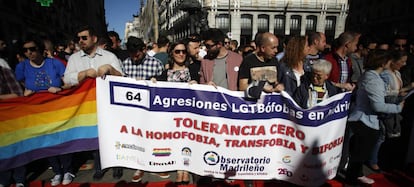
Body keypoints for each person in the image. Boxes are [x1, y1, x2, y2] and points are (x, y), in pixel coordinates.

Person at [63, 25, 124, 181]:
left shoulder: (109, 56)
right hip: (87, 106)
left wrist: (110, 69)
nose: (81, 41)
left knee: (113, 134)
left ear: (94, 38)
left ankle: (117, 165)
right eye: (78, 39)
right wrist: (83, 74)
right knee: (95, 136)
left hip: (109, 104)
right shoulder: (74, 59)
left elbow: (122, 77)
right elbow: (66, 79)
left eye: (84, 37)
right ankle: (99, 165)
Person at [14, 37, 73, 186]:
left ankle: (67, 170)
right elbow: (18, 86)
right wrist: (24, 93)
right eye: (25, 50)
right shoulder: (21, 67)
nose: (29, 53)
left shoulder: (54, 63)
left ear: (40, 49)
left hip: (57, 108)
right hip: (36, 111)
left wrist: (59, 89)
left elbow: (69, 83)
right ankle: (57, 171)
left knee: (61, 138)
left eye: (32, 49)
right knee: (45, 141)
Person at [346, 49, 404, 186]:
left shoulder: (371, 76)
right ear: (383, 63)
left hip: (365, 120)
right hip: (364, 122)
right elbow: (378, 106)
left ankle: (356, 175)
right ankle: (351, 180)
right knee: (359, 155)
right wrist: (398, 108)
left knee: (358, 154)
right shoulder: (373, 79)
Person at [0, 64, 25, 187]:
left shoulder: (2, 67)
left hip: (6, 116)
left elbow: (17, 93)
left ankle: (18, 179)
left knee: (11, 147)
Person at [238, 32, 284, 98]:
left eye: (277, 47)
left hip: (271, 103)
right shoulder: (248, 61)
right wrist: (261, 87)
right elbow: (242, 86)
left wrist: (278, 86)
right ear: (263, 48)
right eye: (273, 48)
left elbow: (275, 81)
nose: (276, 51)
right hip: (254, 103)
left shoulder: (274, 60)